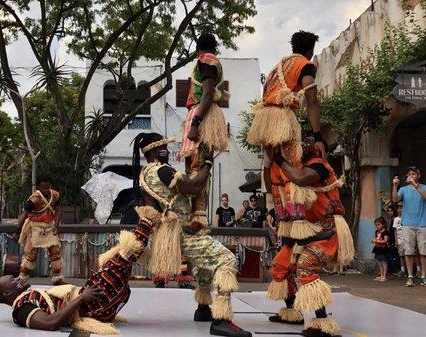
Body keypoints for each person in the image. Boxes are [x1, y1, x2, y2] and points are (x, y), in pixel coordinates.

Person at [133, 132, 251, 337]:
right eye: (164, 148)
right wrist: (207, 163)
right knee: (227, 260)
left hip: (173, 232)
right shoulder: (162, 171)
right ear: (153, 151)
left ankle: (203, 309)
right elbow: (194, 187)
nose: (167, 152)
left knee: (205, 267)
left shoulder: (144, 175)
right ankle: (221, 320)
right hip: (183, 232)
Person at [0, 205, 156, 334]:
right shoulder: (21, 308)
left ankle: (150, 221)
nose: (17, 279)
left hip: (91, 303)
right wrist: (82, 298)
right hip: (90, 307)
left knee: (118, 260)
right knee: (120, 260)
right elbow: (49, 323)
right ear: (6, 293)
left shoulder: (26, 299)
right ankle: (150, 219)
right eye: (11, 280)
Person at [265, 136, 354, 337]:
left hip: (327, 232)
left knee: (305, 266)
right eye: (301, 141)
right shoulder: (296, 166)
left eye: (308, 141)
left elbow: (300, 178)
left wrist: (279, 159)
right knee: (281, 265)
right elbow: (272, 183)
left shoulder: (319, 166)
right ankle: (292, 312)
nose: (302, 143)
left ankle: (321, 322)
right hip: (305, 231)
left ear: (318, 148)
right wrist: (268, 160)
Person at [247, 31, 326, 169]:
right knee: (290, 164)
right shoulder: (304, 65)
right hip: (281, 118)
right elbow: (312, 101)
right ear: (311, 50)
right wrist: (318, 138)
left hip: (264, 120)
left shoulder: (276, 69)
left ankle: (272, 190)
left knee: (272, 163)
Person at [178, 33, 229, 230]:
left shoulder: (206, 60)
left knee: (198, 165)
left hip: (202, 114)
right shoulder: (210, 60)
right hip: (200, 113)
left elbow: (207, 93)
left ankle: (198, 218)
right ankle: (194, 216)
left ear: (198, 49)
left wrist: (196, 123)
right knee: (194, 167)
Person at [15, 177, 64, 286]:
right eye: (43, 187)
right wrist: (17, 231)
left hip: (50, 226)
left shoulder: (55, 195)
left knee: (55, 252)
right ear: (38, 187)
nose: (46, 189)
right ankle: (22, 279)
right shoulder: (34, 198)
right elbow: (24, 214)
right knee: (31, 254)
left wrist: (56, 225)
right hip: (35, 226)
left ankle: (57, 279)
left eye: (48, 187)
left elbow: (59, 209)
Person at [391, 166, 426, 287]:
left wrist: (415, 185)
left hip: (423, 224)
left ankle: (423, 276)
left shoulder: (425, 187)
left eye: (413, 174)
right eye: (409, 174)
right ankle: (410, 276)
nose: (411, 176)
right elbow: (395, 199)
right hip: (407, 224)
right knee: (408, 251)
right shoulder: (403, 189)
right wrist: (395, 185)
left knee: (424, 251)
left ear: (418, 176)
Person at [372, 217, 390, 282]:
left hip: (383, 249)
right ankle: (381, 275)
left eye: (378, 225)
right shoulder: (376, 231)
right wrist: (374, 240)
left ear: (383, 224)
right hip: (377, 249)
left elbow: (385, 241)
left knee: (384, 262)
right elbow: (376, 238)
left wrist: (377, 241)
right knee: (379, 262)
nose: (377, 226)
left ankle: (384, 276)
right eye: (376, 225)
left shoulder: (386, 232)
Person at [392, 203, 407, 277]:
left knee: (411, 254)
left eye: (401, 208)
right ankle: (403, 270)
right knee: (401, 255)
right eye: (398, 208)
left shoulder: (407, 217)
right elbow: (395, 230)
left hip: (407, 239)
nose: (399, 210)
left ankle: (417, 270)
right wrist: (396, 241)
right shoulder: (396, 219)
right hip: (400, 240)